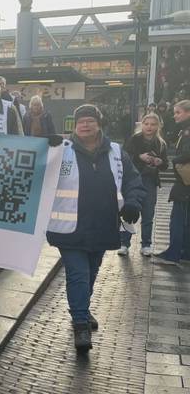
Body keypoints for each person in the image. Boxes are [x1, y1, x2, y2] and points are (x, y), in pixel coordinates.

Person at [47, 104, 145, 353]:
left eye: (90, 120)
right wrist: (45, 149)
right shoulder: (61, 150)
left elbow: (133, 179)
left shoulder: (116, 152)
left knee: (90, 273)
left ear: (99, 124)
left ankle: (81, 308)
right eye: (80, 121)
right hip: (69, 228)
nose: (85, 125)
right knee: (78, 274)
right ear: (74, 126)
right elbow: (38, 173)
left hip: (102, 226)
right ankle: (80, 323)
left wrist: (133, 201)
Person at [118, 113, 168, 256]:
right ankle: (124, 244)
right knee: (129, 210)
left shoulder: (161, 143)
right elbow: (124, 157)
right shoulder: (134, 139)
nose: (149, 127)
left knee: (148, 214)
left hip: (150, 181)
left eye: (153, 124)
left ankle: (146, 244)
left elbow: (165, 164)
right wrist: (139, 157)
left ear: (157, 126)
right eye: (146, 124)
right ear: (142, 125)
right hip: (133, 180)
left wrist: (160, 162)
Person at [154, 100, 190, 265]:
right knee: (185, 220)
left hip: (184, 184)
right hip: (184, 183)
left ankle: (174, 254)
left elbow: (186, 154)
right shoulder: (183, 131)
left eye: (178, 112)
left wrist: (175, 160)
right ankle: (184, 252)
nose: (175, 115)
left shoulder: (187, 132)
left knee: (178, 219)